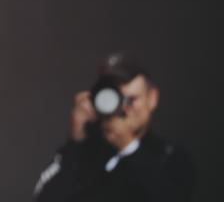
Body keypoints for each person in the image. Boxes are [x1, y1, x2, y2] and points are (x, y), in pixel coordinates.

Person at [33, 52, 194, 202]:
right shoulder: (86, 153)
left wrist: (129, 147)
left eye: (131, 100)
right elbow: (43, 197)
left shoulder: (170, 158)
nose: (123, 109)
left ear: (152, 98)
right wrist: (75, 141)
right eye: (115, 99)